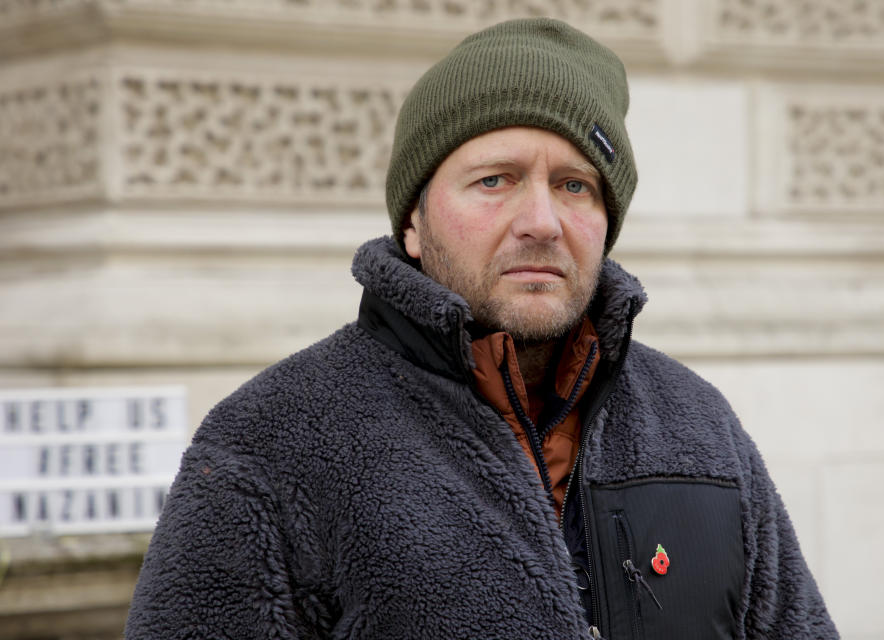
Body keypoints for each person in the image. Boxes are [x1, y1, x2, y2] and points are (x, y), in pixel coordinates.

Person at [125, 18, 838, 640]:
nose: (541, 220)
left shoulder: (699, 429)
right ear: (414, 220)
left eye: (574, 185)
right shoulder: (270, 445)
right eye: (494, 180)